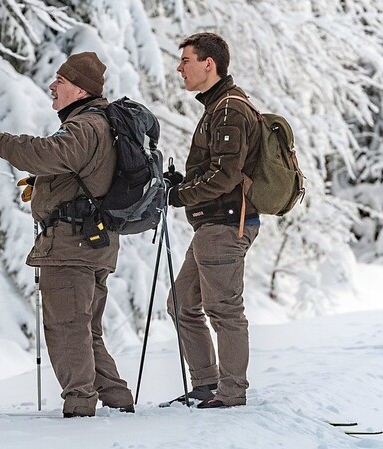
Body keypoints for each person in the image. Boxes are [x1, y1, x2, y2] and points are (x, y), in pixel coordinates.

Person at [0, 52, 135, 418]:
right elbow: (80, 171)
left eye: (60, 80)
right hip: (93, 244)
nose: (52, 86)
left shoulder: (85, 124)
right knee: (86, 330)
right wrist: (47, 187)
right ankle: (118, 403)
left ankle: (79, 409)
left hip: (72, 247)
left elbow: (48, 152)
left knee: (66, 328)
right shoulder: (99, 123)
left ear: (80, 88)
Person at [164, 32, 261, 409]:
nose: (179, 67)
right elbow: (218, 168)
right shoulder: (218, 107)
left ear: (210, 64)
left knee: (224, 310)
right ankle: (207, 383)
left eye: (186, 60)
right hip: (214, 224)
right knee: (182, 304)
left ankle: (232, 392)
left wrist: (181, 195)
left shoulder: (228, 110)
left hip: (226, 224)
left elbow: (225, 175)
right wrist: (183, 183)